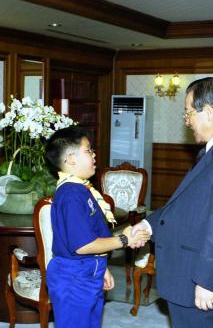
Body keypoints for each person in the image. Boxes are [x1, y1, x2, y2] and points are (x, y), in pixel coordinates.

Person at [133, 77, 213, 327]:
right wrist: (149, 225)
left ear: (209, 112)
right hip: (185, 274)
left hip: (198, 280)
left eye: (188, 113)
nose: (187, 121)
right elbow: (187, 205)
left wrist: (207, 281)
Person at [45, 126, 150, 328]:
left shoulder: (82, 189)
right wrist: (125, 240)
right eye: (88, 150)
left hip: (88, 271)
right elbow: (83, 245)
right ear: (71, 159)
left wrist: (101, 269)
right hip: (73, 277)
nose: (94, 155)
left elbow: (93, 233)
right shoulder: (71, 195)